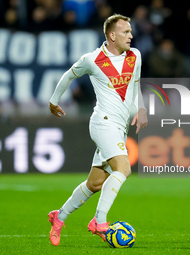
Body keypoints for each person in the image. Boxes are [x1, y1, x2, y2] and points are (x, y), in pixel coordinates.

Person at [48, 14, 148, 246]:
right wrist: (54, 101)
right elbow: (68, 75)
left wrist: (141, 109)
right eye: (126, 32)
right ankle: (99, 221)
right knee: (124, 169)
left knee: (94, 184)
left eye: (131, 31)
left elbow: (135, 85)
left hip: (119, 127)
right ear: (112, 35)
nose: (131, 36)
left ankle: (59, 216)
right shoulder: (92, 59)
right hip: (103, 123)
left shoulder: (135, 56)